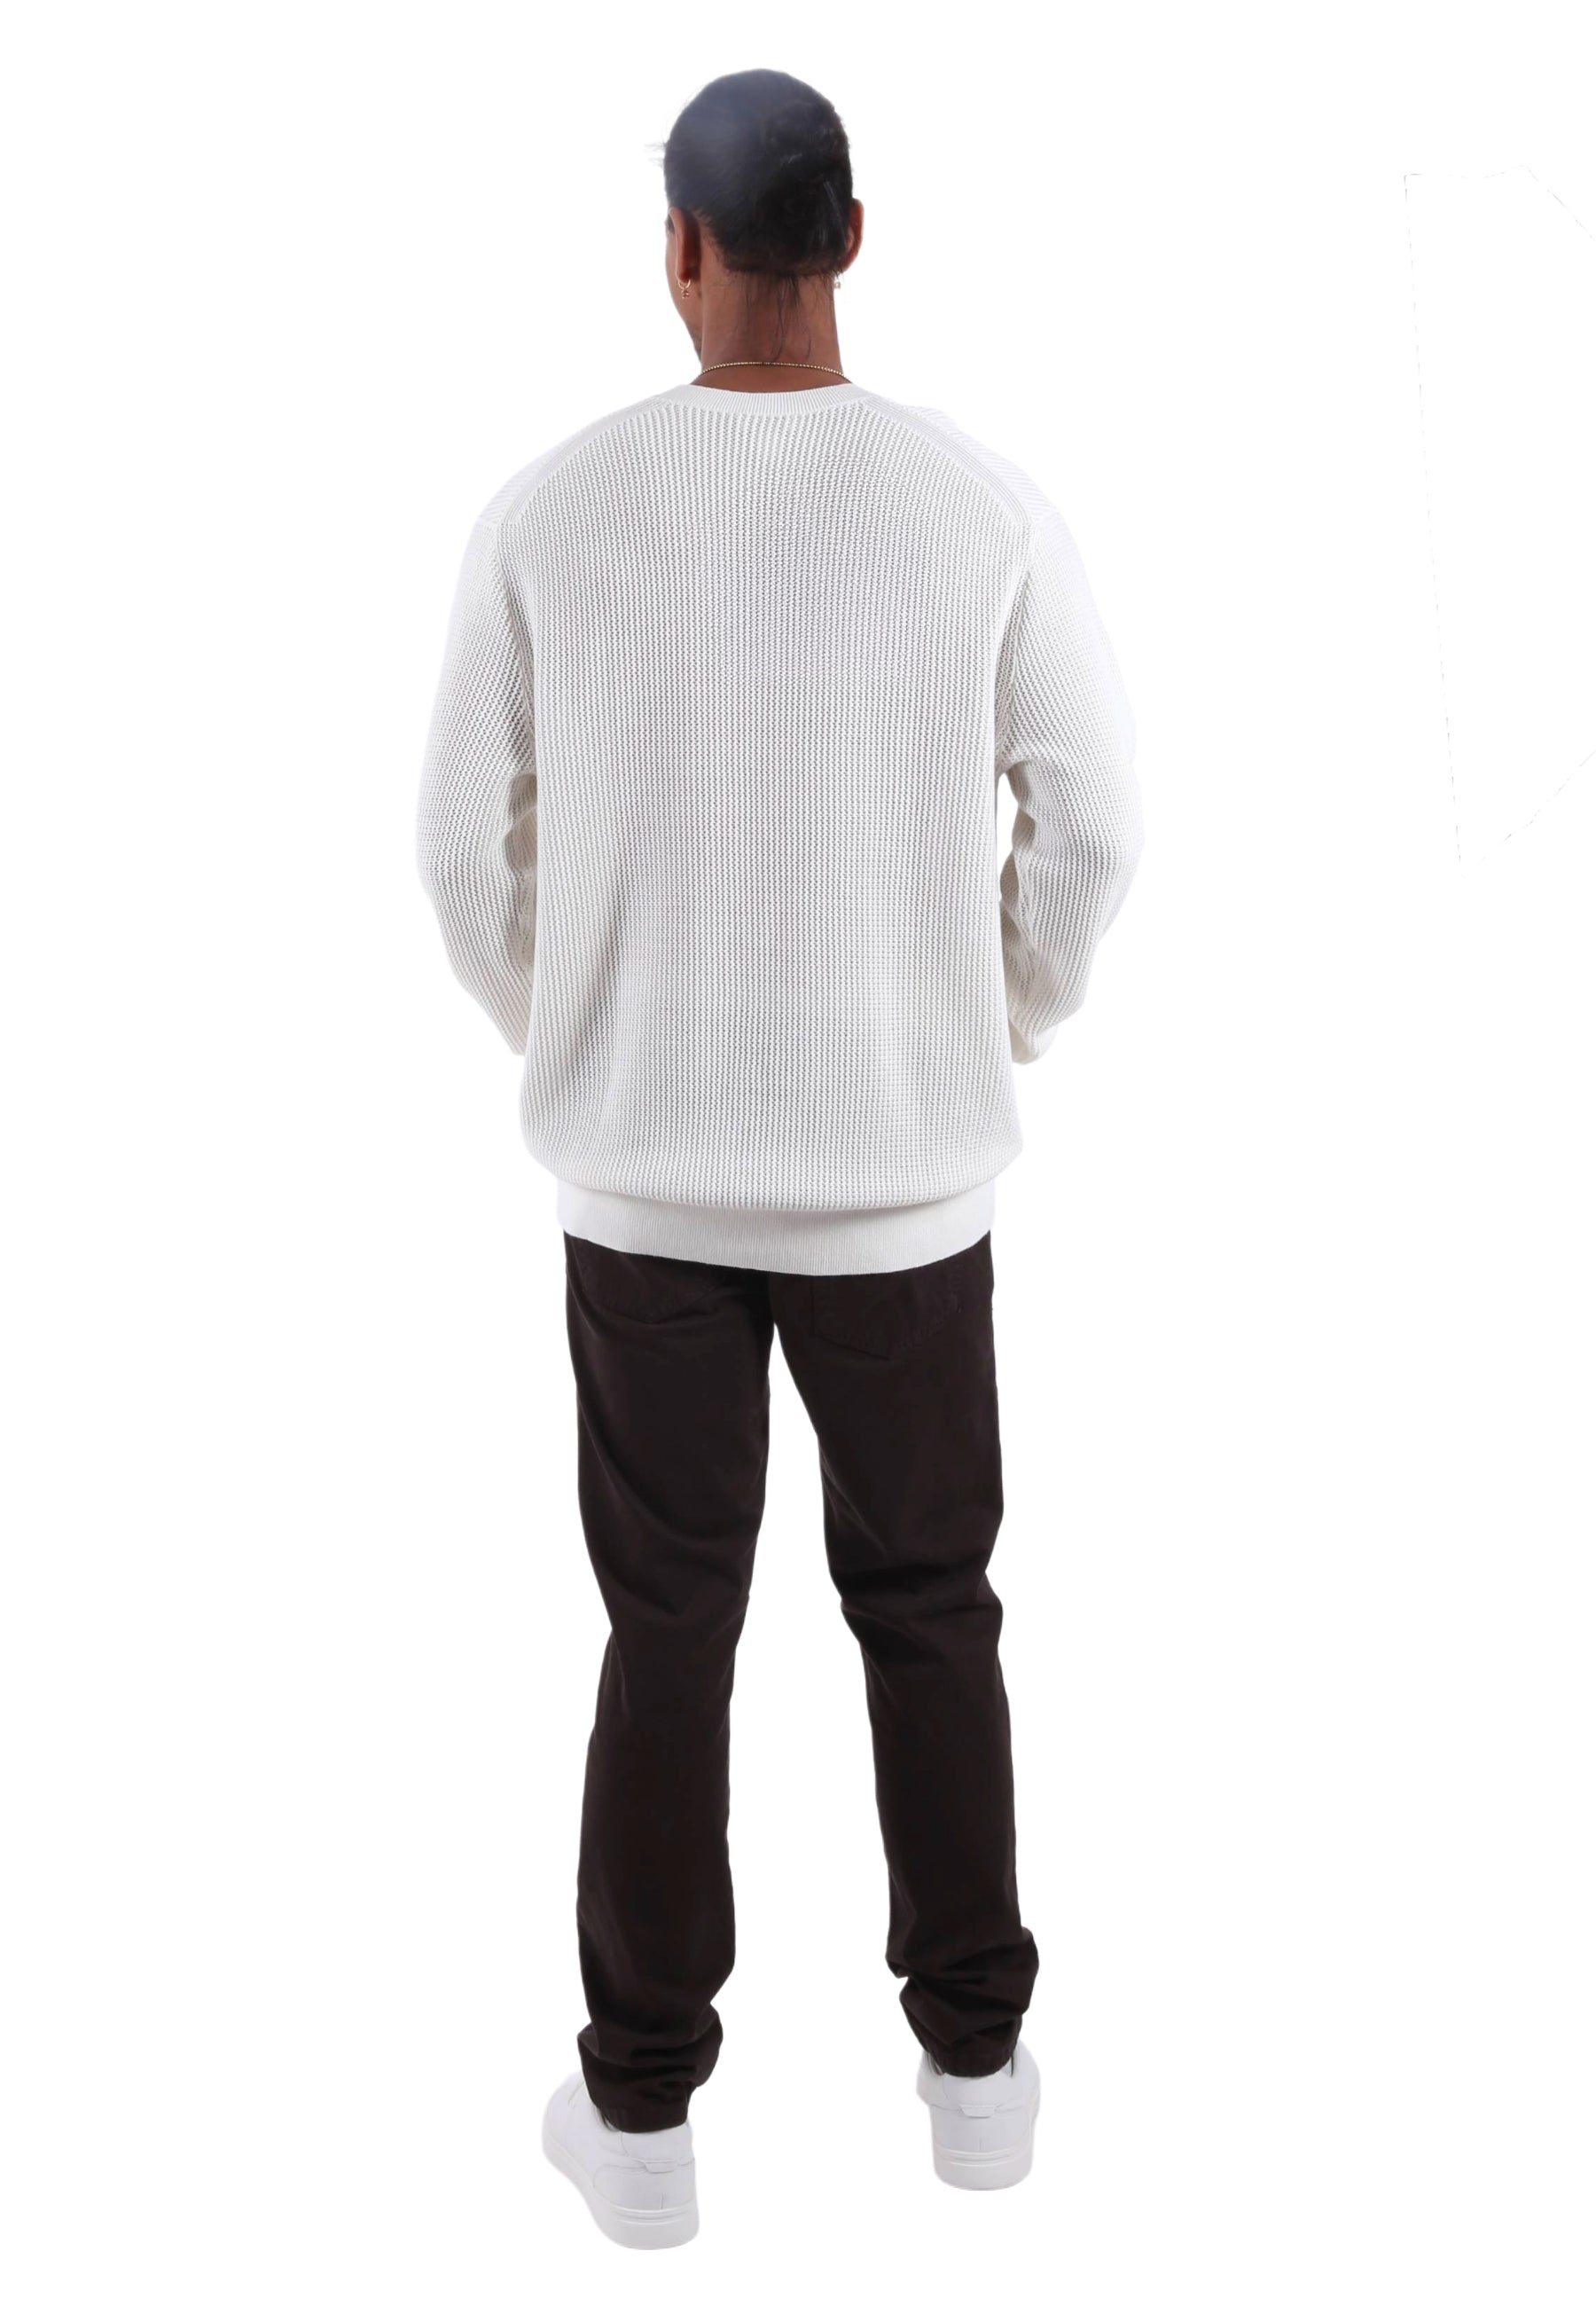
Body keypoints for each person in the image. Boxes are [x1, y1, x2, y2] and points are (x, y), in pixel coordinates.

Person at [418, 66, 1143, 2251]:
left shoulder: (551, 514)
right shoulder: (981, 508)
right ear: (854, 237)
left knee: (669, 1627)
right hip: (907, 1195)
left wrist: (589, 1033)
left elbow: (456, 853)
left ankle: (640, 2117)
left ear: (678, 247)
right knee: (931, 1610)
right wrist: (992, 1015)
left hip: (645, 1204)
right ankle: (978, 2080)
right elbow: (1098, 825)